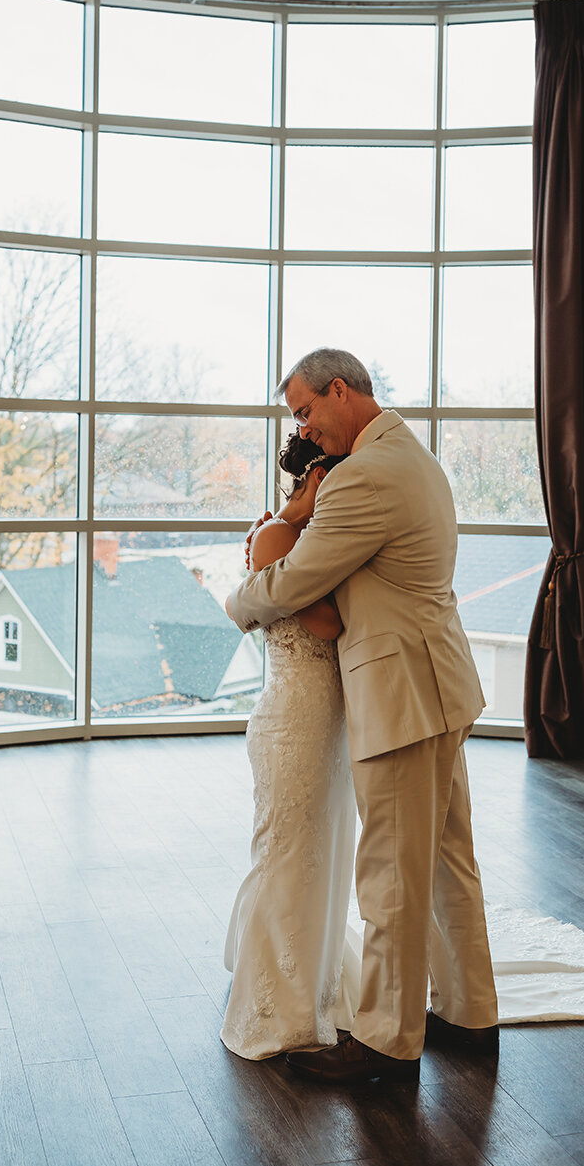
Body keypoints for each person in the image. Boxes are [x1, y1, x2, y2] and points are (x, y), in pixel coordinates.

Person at [225, 347, 498, 1085]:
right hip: (439, 686)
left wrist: (236, 598)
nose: (305, 430)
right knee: (446, 862)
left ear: (339, 391)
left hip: (402, 698)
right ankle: (470, 1016)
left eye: (306, 411)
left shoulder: (366, 477)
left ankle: (384, 1045)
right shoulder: (411, 453)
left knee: (390, 878)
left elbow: (295, 581)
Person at [220, 431, 360, 1059]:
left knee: (320, 849)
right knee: (287, 850)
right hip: (294, 718)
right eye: (334, 480)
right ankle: (278, 999)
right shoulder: (278, 535)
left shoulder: (316, 543)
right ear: (311, 480)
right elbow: (328, 623)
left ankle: (316, 971)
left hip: (329, 719)